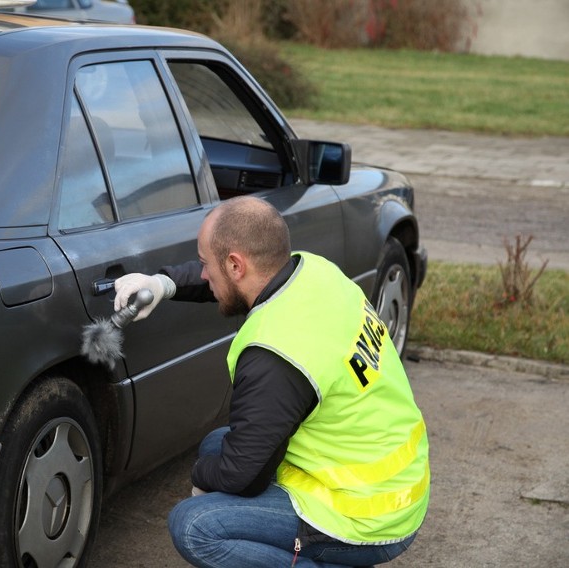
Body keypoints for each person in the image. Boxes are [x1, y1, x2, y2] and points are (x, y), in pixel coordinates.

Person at [113, 196, 429, 568]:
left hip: (367, 513)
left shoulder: (274, 356)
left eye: (204, 265)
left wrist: (203, 480)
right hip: (393, 474)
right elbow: (228, 280)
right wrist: (163, 283)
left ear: (235, 264)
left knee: (194, 525)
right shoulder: (313, 271)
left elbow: (242, 477)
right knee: (218, 445)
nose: (202, 276)